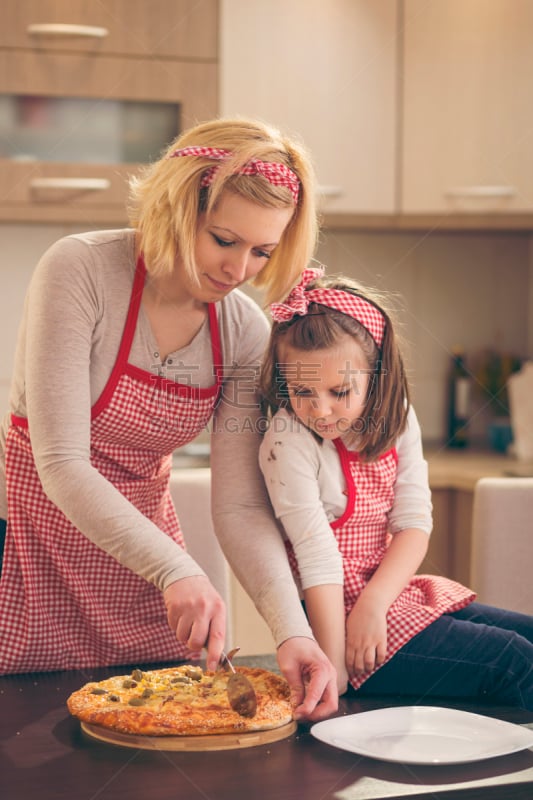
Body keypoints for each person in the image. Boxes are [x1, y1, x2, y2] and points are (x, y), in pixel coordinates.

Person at [0, 117, 337, 720]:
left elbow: (237, 505)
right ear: (180, 207)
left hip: (145, 572)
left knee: (152, 730)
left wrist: (292, 631)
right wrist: (179, 567)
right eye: (224, 240)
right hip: (29, 552)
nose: (239, 271)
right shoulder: (79, 269)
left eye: (262, 251)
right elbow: (60, 463)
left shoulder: (242, 330)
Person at [259, 267, 533, 709]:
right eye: (302, 389)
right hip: (334, 619)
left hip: (385, 598)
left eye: (339, 390)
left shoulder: (399, 417)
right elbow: (316, 555)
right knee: (515, 661)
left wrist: (374, 605)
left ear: (376, 375)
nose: (320, 409)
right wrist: (334, 669)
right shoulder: (287, 439)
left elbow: (412, 525)